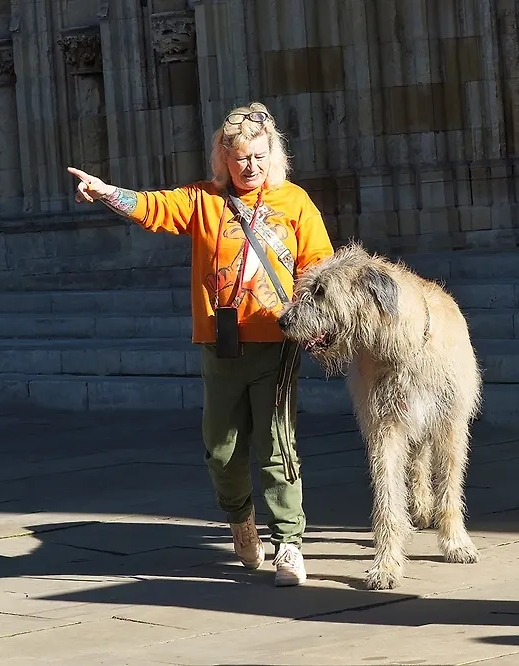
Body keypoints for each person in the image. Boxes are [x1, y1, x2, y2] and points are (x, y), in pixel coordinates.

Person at [67, 102, 335, 587]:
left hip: (278, 342)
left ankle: (289, 544)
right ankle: (240, 521)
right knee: (222, 449)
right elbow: (154, 208)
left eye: (257, 156)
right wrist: (108, 192)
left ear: (272, 154)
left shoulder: (295, 202)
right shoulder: (204, 200)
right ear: (223, 159)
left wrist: (318, 321)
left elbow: (318, 265)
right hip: (222, 343)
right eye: (239, 158)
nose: (249, 167)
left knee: (277, 444)